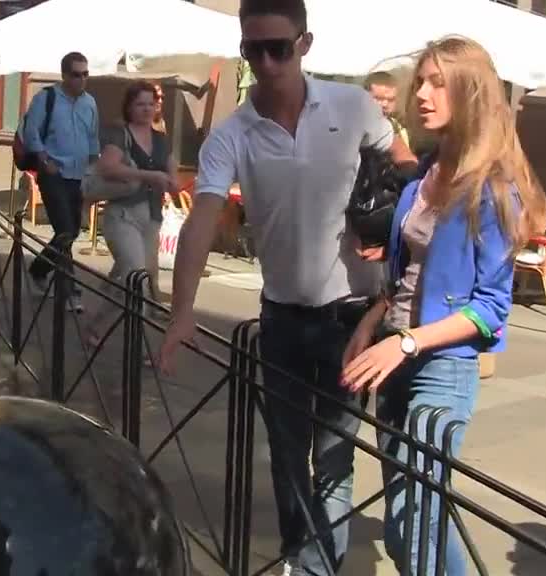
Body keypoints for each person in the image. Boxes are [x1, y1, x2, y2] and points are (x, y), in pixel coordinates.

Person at [157, 0, 417, 574]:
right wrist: (181, 312)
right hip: (281, 320)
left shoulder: (352, 107)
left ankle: (313, 568)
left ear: (305, 44)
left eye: (279, 49)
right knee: (287, 458)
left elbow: (406, 167)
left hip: (352, 319)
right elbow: (201, 221)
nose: (268, 64)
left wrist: (394, 228)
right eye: (254, 50)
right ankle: (302, 558)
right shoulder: (231, 135)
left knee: (334, 460)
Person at [340, 36, 546, 575]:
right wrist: (371, 323)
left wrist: (408, 343)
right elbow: (405, 271)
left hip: (441, 370)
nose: (422, 94)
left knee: (417, 525)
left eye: (439, 83)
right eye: (421, 82)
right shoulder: (425, 172)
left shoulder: (494, 188)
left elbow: (490, 309)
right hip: (393, 356)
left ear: (471, 94)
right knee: (409, 526)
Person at [85, 82, 177, 347]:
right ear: (129, 107)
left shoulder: (161, 140)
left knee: (128, 278)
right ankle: (142, 347)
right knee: (139, 280)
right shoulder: (120, 134)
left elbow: (172, 172)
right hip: (123, 215)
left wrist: (171, 181)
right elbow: (108, 167)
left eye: (151, 104)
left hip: (152, 218)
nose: (147, 109)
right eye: (140, 104)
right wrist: (149, 175)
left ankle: (97, 324)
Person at [23, 51, 100, 313]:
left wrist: (92, 171)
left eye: (86, 74)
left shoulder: (90, 103)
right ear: (65, 75)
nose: (82, 80)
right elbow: (31, 132)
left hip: (79, 175)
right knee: (65, 230)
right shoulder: (47, 98)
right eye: (77, 75)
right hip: (53, 173)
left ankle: (39, 268)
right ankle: (69, 292)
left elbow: (93, 139)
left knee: (71, 231)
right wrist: (44, 160)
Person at [364, 70, 410, 148]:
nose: (385, 104)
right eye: (378, 98)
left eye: (391, 100)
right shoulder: (355, 128)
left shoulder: (399, 128)